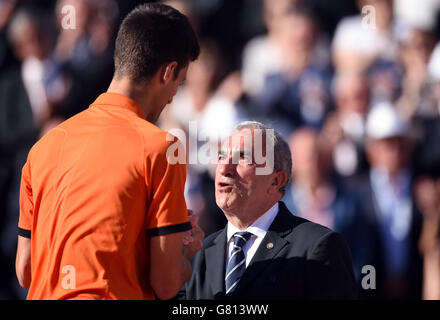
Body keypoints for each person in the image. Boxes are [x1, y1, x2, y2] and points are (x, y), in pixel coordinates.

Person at [15, 3, 203, 300]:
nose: (171, 99)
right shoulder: (163, 148)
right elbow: (167, 284)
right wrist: (184, 251)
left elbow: (25, 270)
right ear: (168, 73)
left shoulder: (44, 147)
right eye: (178, 85)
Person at [179, 121, 357, 299]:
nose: (224, 169)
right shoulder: (197, 254)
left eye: (242, 159)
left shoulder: (317, 247)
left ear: (275, 182)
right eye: (221, 157)